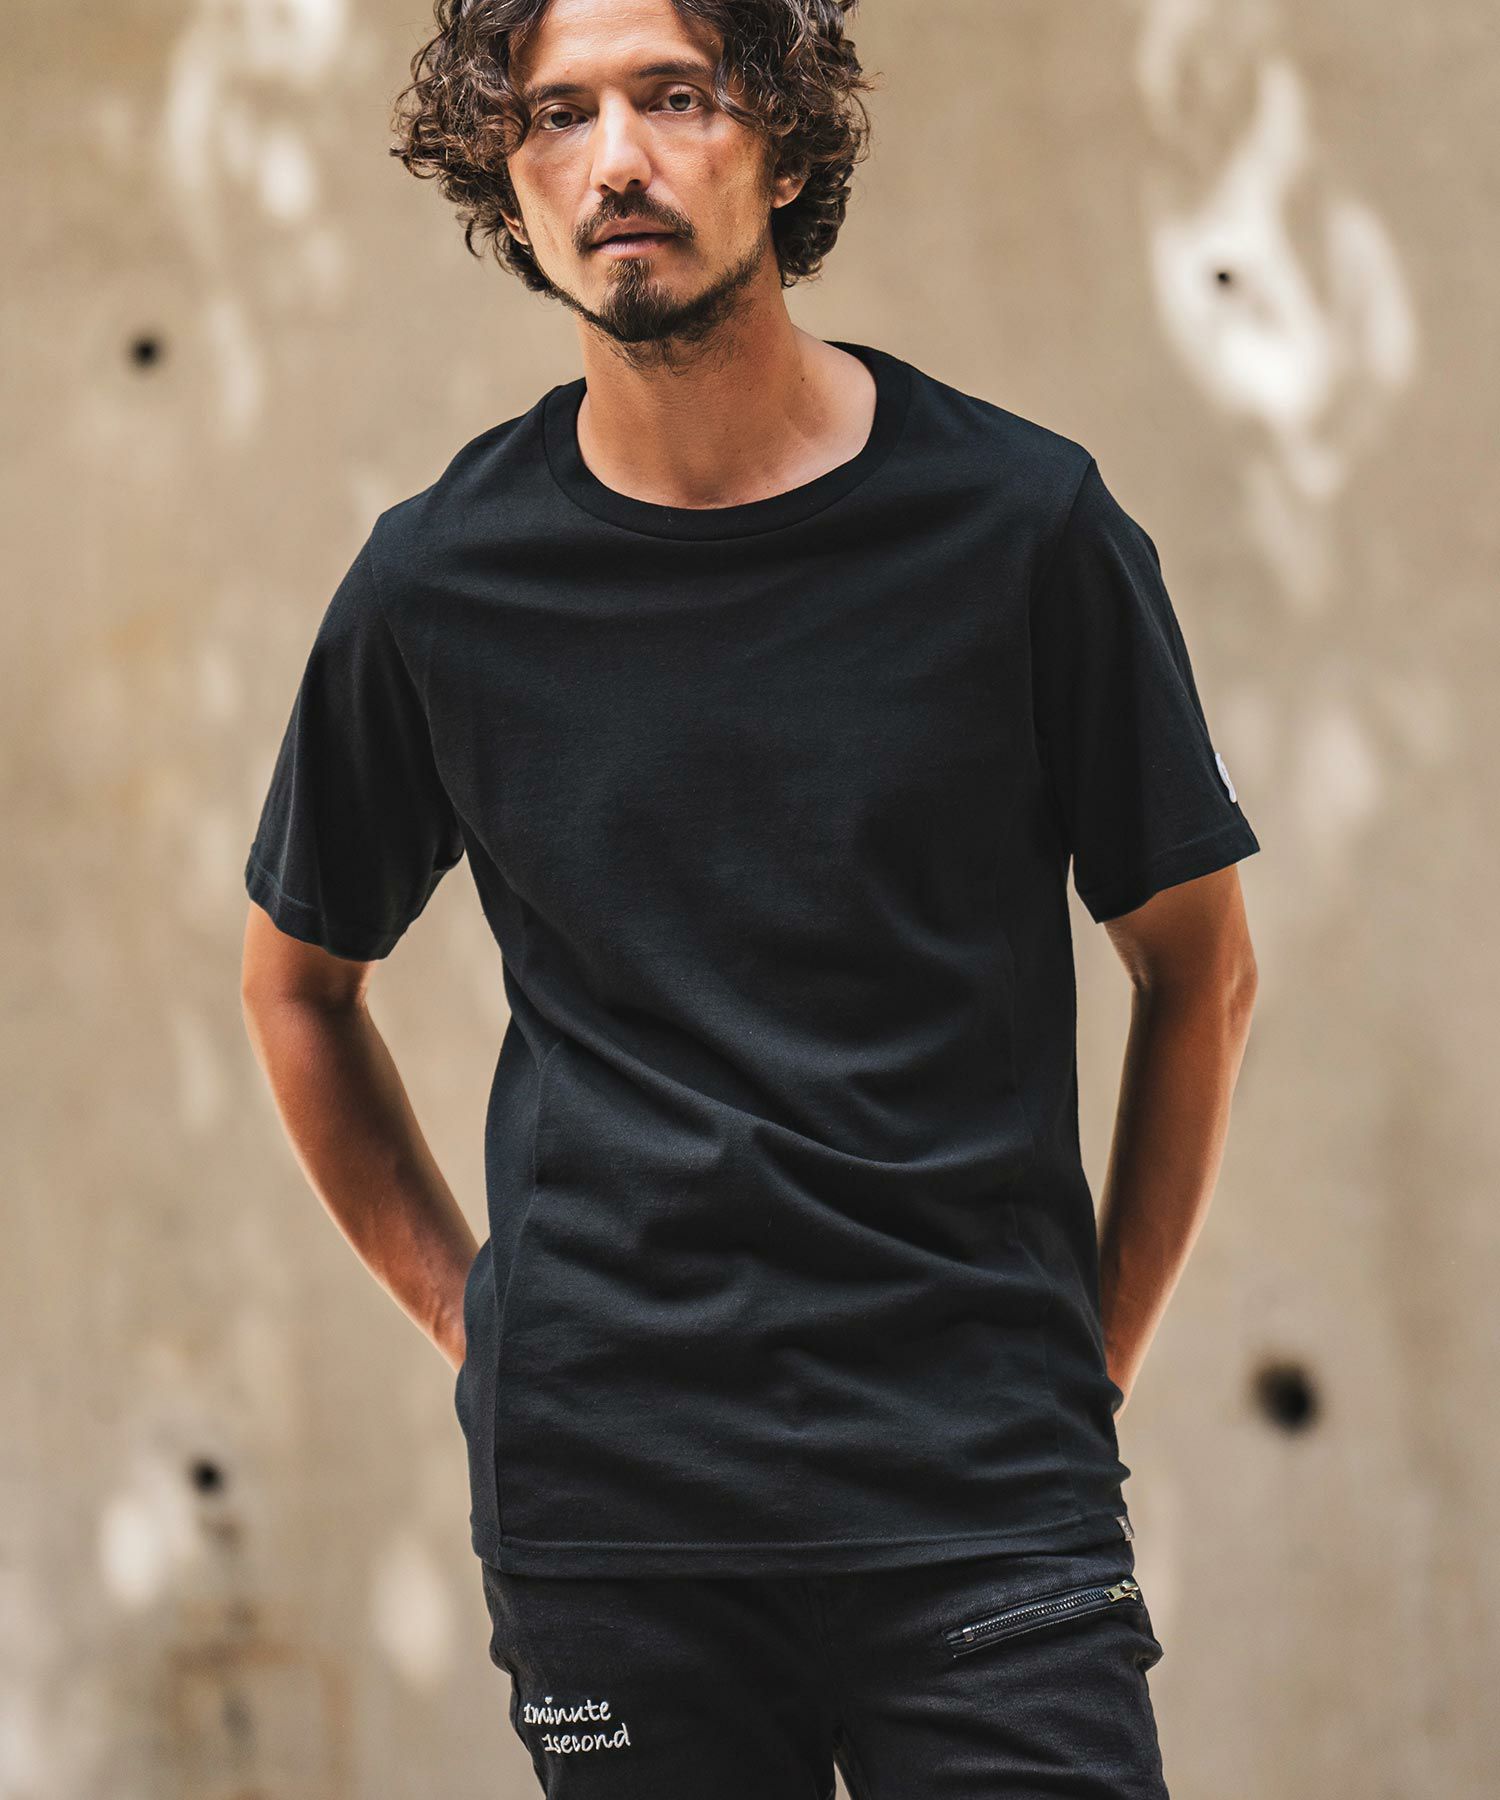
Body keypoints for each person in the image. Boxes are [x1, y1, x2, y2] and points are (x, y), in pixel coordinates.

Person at [239, 0, 1261, 1793]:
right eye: (556, 116)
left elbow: (1201, 974)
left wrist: (1076, 1364)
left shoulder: (1021, 526)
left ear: (784, 141)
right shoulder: (438, 585)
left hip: (983, 1495)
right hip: (612, 1518)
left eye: (676, 96)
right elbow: (296, 988)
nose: (615, 160)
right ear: (507, 178)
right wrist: (482, 1329)